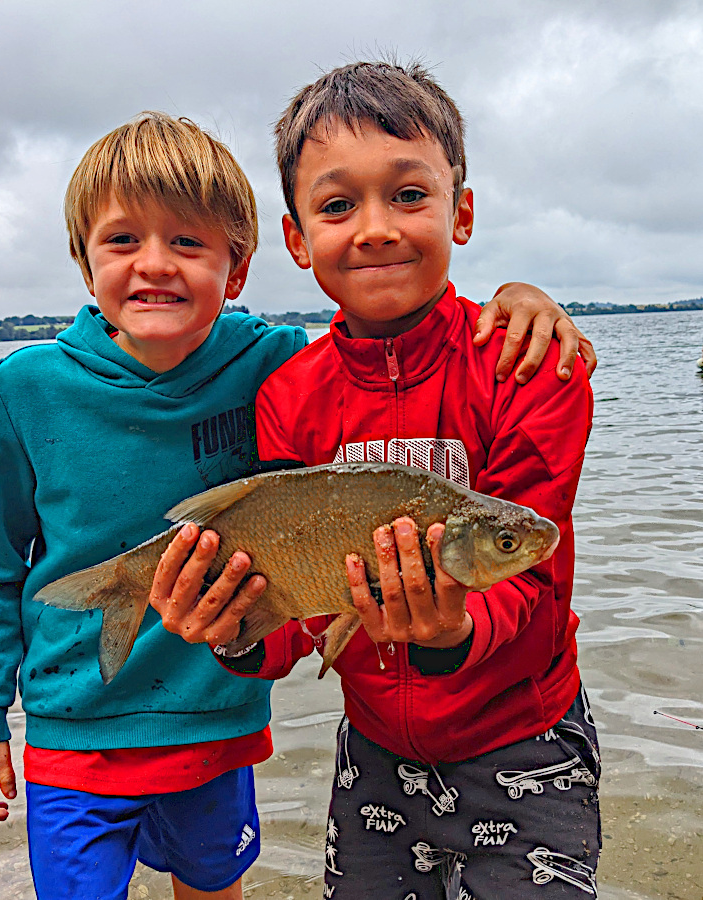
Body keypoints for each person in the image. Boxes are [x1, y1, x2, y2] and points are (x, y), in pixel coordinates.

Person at [0, 112, 592, 900]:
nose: (156, 264)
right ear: (83, 264)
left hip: (288, 731)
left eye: (188, 242)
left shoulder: (281, 363)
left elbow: (391, 329)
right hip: (89, 730)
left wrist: (526, 296)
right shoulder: (43, 386)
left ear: (240, 266)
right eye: (122, 242)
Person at [152, 63, 600, 899]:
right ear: (296, 240)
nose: (375, 229)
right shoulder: (289, 394)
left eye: (408, 195)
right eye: (336, 205)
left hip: (526, 740)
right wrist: (233, 630)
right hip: (375, 756)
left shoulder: (529, 362)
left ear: (461, 212)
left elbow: (531, 561)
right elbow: (291, 612)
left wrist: (452, 634)